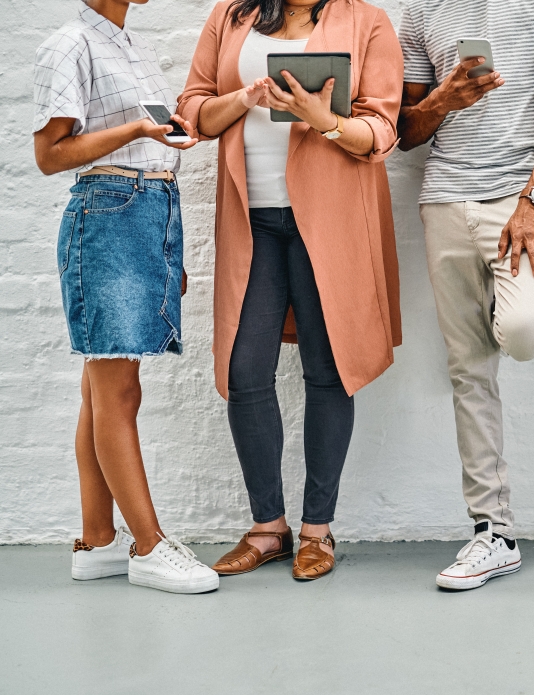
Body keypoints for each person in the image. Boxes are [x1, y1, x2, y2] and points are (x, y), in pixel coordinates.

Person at [178, 0, 403, 581]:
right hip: (252, 220)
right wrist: (244, 99)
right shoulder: (231, 16)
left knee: (328, 370)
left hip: (328, 220)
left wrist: (320, 116)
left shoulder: (367, 21)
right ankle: (267, 528)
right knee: (245, 369)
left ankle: (317, 531)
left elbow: (381, 129)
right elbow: (193, 111)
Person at [396, 0, 534, 590]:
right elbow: (406, 130)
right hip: (446, 198)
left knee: (524, 332)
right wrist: (440, 103)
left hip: (519, 199)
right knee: (469, 370)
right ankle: (493, 532)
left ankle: (493, 530)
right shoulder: (420, 9)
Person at [32, 0, 220, 594]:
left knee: (101, 386)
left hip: (146, 213)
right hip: (110, 213)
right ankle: (148, 545)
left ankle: (99, 541)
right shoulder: (70, 43)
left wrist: (166, 250)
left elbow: (151, 153)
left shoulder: (125, 43)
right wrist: (138, 128)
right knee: (118, 387)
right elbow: (50, 155)